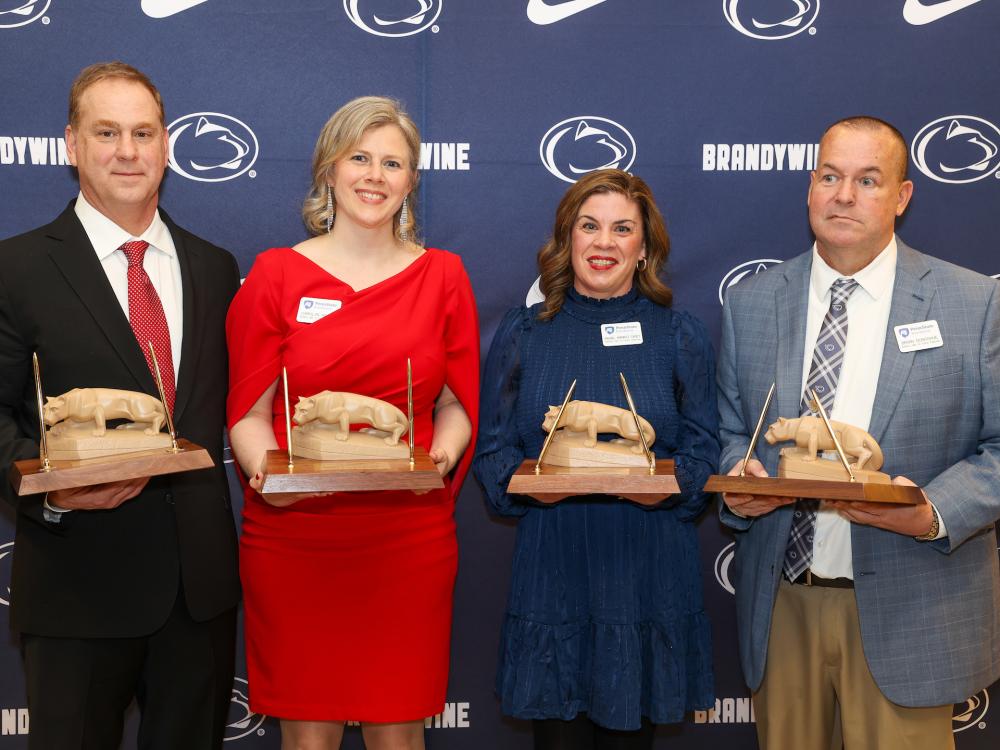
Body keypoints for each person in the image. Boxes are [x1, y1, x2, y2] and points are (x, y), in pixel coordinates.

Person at [717, 116, 1000, 749]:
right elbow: (735, 429)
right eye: (829, 177)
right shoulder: (752, 303)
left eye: (867, 180)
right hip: (782, 608)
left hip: (911, 604)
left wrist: (930, 512)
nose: (843, 195)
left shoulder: (974, 303)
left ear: (901, 197)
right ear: (810, 189)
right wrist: (740, 483)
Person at [226, 95, 479, 750]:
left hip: (406, 536)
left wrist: (439, 461)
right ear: (329, 170)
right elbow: (249, 416)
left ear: (412, 178)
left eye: (392, 162)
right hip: (296, 537)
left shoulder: (443, 276)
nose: (374, 175)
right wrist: (269, 476)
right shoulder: (276, 275)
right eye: (359, 157)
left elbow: (454, 405)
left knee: (399, 735)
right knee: (307, 739)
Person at [0, 62, 240, 749]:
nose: (128, 151)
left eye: (143, 132)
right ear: (72, 144)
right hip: (77, 589)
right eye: (107, 132)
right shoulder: (14, 269)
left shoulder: (215, 267)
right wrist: (54, 495)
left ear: (167, 145)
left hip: (199, 598)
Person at [474, 169, 718, 749]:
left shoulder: (679, 334)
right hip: (555, 574)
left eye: (622, 228)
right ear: (567, 238)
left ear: (645, 247)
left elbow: (705, 449)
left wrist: (663, 486)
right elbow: (493, 453)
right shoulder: (525, 332)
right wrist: (530, 485)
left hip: (649, 576)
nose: (604, 242)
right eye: (590, 226)